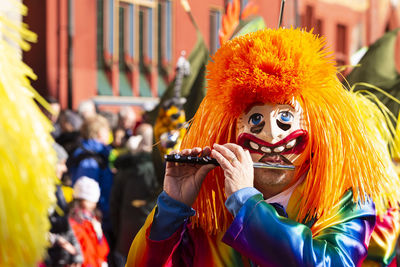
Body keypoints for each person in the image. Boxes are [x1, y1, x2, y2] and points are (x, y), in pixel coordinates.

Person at [126, 28, 400, 266]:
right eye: (255, 118)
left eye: (285, 117)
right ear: (232, 129)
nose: (270, 134)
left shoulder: (345, 199)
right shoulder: (207, 206)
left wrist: (247, 203)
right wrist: (172, 209)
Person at [110, 123, 159, 266]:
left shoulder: (125, 168)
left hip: (125, 236)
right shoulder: (161, 169)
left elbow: (114, 203)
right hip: (150, 236)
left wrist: (116, 233)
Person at [67, 114, 114, 249]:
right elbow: (86, 192)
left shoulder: (96, 154)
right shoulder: (90, 158)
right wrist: (95, 215)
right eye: (107, 131)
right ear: (100, 133)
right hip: (95, 216)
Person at [45, 143, 83, 267]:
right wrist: (57, 240)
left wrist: (77, 255)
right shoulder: (39, 194)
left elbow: (66, 227)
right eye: (61, 163)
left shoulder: (57, 190)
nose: (65, 168)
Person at [69, 176, 109, 267]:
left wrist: (99, 234)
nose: (93, 204)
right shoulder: (73, 223)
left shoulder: (93, 220)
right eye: (89, 200)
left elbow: (103, 250)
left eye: (94, 201)